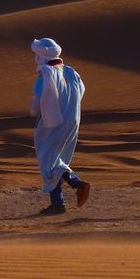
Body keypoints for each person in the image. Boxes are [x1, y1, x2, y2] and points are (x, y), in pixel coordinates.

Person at [30, 38, 91, 215]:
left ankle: (67, 195)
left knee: (47, 162)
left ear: (41, 56)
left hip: (52, 122)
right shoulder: (72, 72)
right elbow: (81, 92)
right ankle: (71, 189)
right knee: (55, 160)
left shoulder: (45, 74)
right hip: (72, 120)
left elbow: (35, 107)